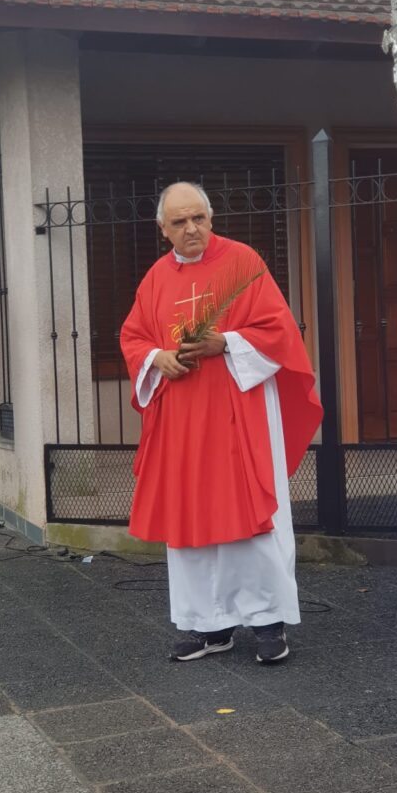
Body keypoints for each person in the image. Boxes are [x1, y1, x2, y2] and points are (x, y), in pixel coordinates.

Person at [121, 182, 322, 663]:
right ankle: (207, 624)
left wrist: (225, 342)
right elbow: (134, 337)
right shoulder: (155, 278)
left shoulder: (242, 262)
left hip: (238, 411)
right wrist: (157, 358)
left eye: (199, 219)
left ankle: (268, 621)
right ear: (163, 229)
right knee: (190, 515)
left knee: (249, 516)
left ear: (211, 218)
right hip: (182, 419)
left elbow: (278, 331)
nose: (191, 229)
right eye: (179, 222)